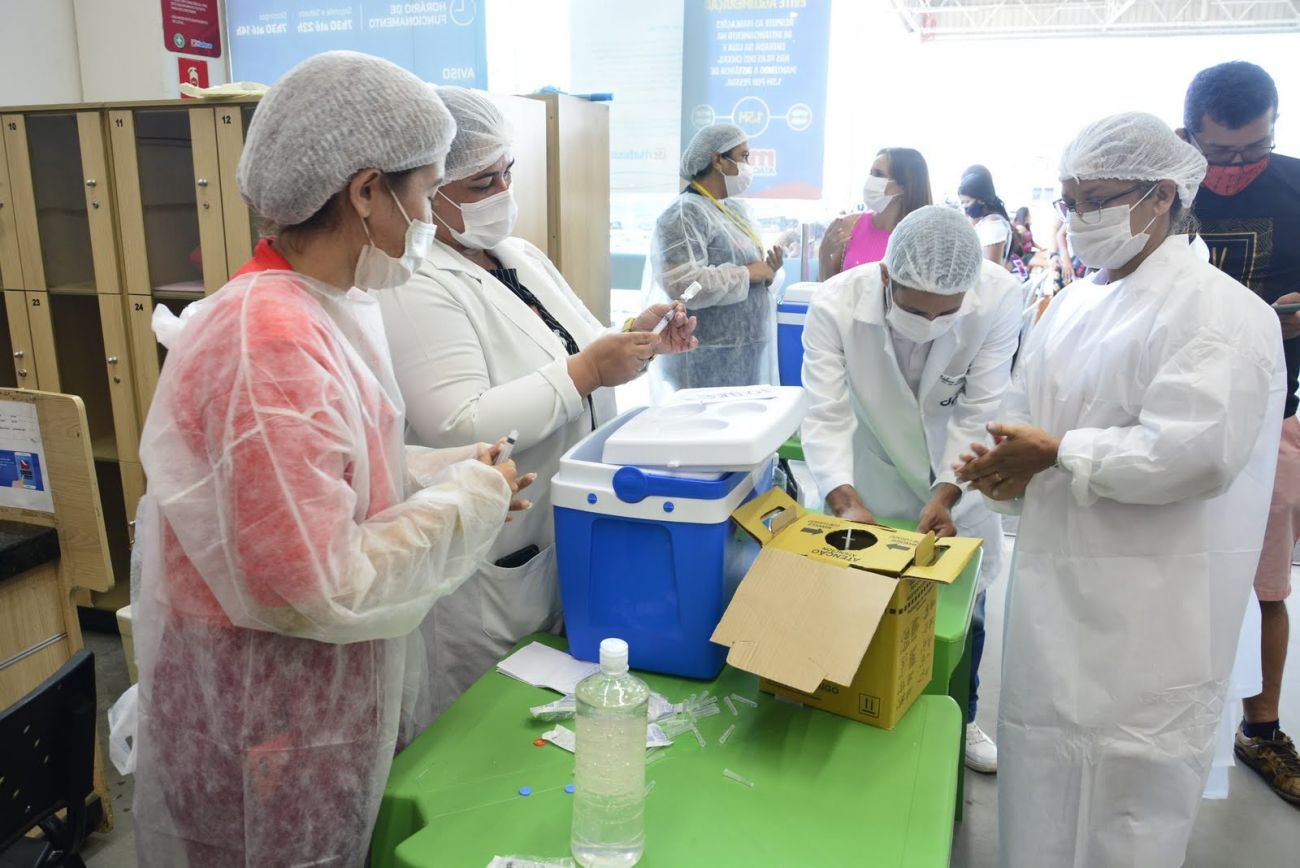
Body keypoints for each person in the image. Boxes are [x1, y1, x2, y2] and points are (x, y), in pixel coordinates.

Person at [127, 53, 529, 866]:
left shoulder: (323, 307)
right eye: (427, 193)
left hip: (301, 704)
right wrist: (469, 503)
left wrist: (450, 471)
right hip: (268, 714)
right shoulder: (270, 340)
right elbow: (316, 583)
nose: (429, 218)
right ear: (367, 192)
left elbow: (323, 475)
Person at [955, 112, 1286, 867]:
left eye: (1096, 200)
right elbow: (1028, 412)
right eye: (1069, 201)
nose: (1078, 218)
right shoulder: (1075, 303)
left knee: (1128, 801)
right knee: (1043, 776)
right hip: (1056, 600)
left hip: (1153, 612)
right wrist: (998, 469)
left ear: (1161, 195)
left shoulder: (1219, 312)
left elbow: (1199, 454)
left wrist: (1060, 452)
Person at [375, 86, 698, 723]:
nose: (502, 191)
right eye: (480, 182)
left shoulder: (517, 254)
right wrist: (587, 370)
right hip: (497, 549)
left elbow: (575, 344)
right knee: (485, 723)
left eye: (507, 172)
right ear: (427, 187)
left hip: (562, 528)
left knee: (559, 693)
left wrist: (637, 338)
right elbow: (458, 424)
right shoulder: (414, 282)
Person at [801, 205, 1021, 774]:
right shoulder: (835, 305)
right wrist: (845, 499)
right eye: (916, 309)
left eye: (946, 312)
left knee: (964, 615)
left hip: (959, 479)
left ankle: (963, 716)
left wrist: (946, 494)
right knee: (863, 606)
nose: (930, 322)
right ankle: (859, 704)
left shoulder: (999, 297)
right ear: (885, 276)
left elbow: (979, 410)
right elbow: (825, 413)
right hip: (868, 471)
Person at [1179, 60, 1300, 807]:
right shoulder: (1160, 191)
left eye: (1256, 147)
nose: (1238, 165)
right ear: (1189, 134)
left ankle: (1262, 727)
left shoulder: (1295, 186)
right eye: (1220, 151)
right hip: (1173, 415)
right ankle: (1165, 716)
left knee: (1265, 584)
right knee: (1167, 573)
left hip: (1270, 417)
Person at [649, 123, 784, 393]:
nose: (748, 165)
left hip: (746, 351)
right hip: (703, 356)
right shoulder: (684, 214)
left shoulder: (734, 209)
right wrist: (748, 273)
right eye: (743, 156)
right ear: (718, 160)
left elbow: (751, 270)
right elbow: (684, 287)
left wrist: (768, 272)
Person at [819, 148, 933, 280]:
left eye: (878, 174)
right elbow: (829, 286)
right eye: (871, 173)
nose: (870, 180)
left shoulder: (918, 239)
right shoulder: (849, 225)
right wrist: (824, 255)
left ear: (903, 186)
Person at [958, 165, 1018, 268]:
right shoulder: (985, 221)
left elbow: (990, 269)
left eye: (967, 201)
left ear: (981, 198)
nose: (965, 207)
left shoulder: (992, 225)